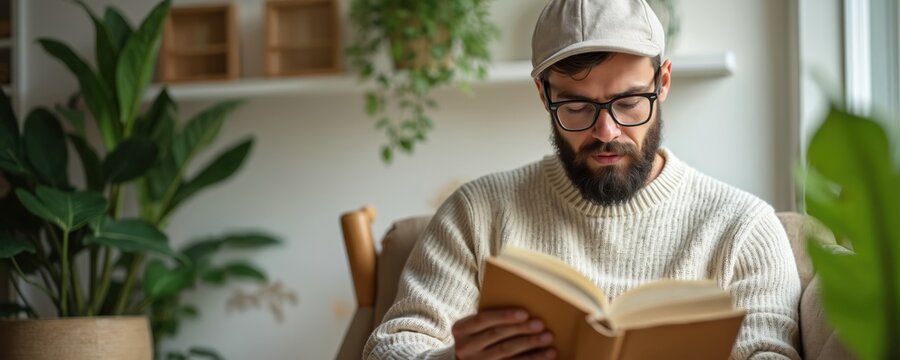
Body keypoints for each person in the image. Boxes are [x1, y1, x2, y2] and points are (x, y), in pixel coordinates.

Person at [363, 0, 801, 359]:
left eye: (629, 102)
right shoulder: (477, 213)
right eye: (577, 107)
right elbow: (391, 347)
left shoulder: (743, 228)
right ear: (543, 93)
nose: (606, 132)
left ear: (663, 81)